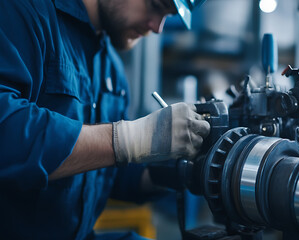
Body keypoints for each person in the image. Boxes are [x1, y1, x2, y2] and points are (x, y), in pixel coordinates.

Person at [0, 0, 210, 239]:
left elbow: (108, 171)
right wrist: (130, 140)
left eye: (168, 15)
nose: (157, 27)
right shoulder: (23, 12)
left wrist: (180, 169)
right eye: (155, 5)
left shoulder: (111, 69)